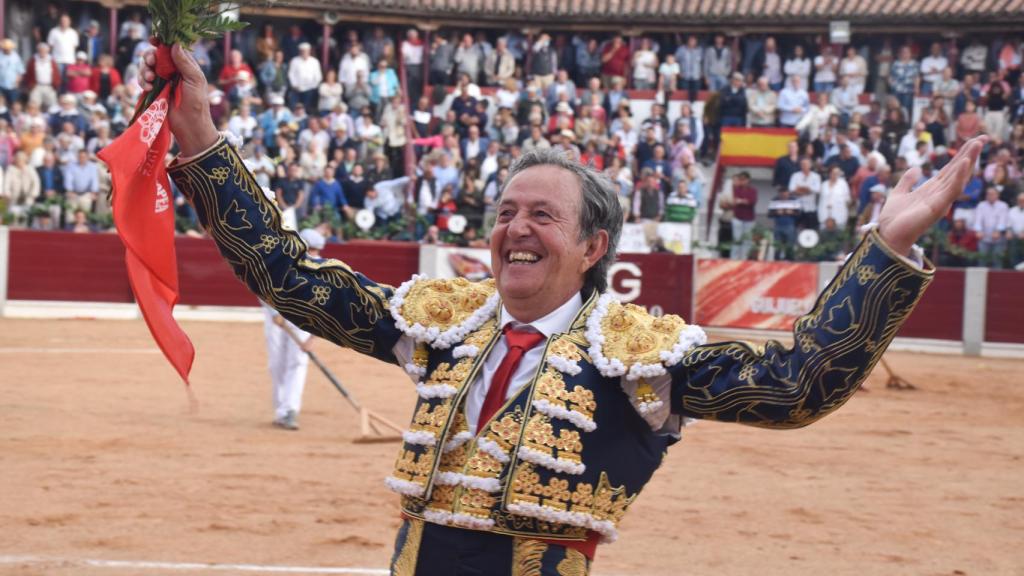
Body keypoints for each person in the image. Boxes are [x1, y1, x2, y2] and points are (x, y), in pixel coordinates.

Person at [146, 45, 984, 575]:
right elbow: (291, 277)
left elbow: (798, 384)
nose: (516, 228)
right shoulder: (442, 324)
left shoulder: (637, 354)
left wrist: (886, 249)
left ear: (593, 247)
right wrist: (202, 140)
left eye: (543, 216)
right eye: (507, 211)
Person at [263, 227, 323, 431]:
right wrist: (274, 312)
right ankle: (281, 409)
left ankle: (289, 410)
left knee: (297, 362)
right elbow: (260, 284)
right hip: (277, 316)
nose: (315, 254)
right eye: (312, 249)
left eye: (317, 250)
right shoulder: (280, 259)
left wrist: (314, 336)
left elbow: (325, 306)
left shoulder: (321, 269)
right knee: (276, 364)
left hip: (302, 318)